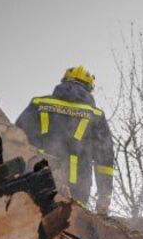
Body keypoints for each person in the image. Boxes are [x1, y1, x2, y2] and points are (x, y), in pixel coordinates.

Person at [15, 65, 116, 213]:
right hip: (76, 191)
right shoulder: (95, 116)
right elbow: (104, 161)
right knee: (68, 228)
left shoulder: (38, 104)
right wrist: (104, 196)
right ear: (89, 88)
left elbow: (16, 138)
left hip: (34, 179)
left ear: (63, 82)